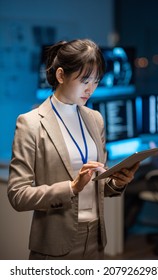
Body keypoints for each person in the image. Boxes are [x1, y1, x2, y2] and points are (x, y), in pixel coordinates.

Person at [7, 38, 139, 260]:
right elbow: (18, 195)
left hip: (96, 237)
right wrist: (71, 187)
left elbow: (98, 184)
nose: (91, 89)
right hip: (55, 243)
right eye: (85, 80)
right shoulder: (30, 123)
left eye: (96, 81)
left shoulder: (95, 119)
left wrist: (116, 182)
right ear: (60, 76)